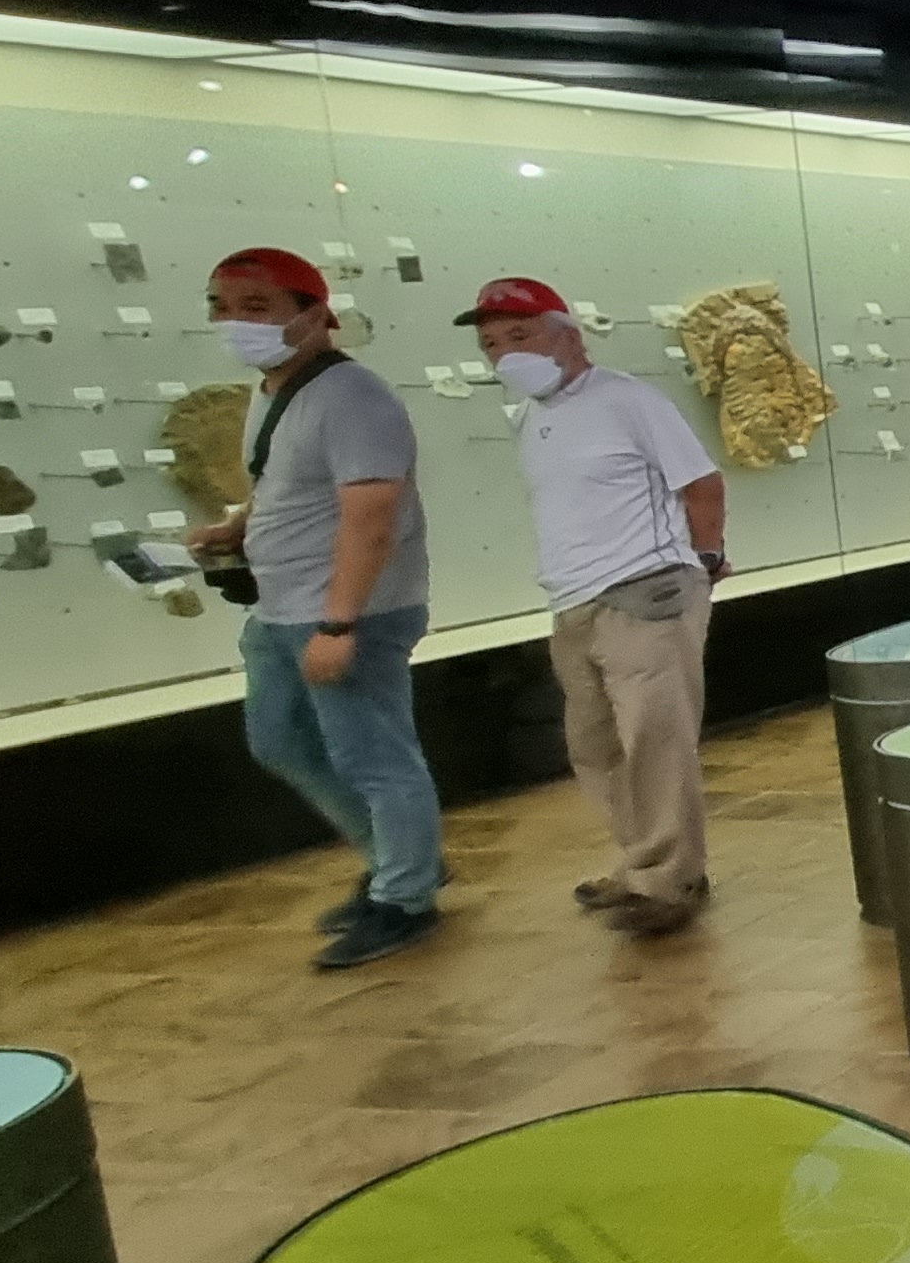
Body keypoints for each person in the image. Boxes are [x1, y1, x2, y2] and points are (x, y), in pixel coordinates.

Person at [188, 246, 446, 970]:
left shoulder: (353, 397)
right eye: (220, 306)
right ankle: (399, 860)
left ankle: (405, 898)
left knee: (374, 757)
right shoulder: (275, 389)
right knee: (280, 740)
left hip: (346, 611)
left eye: (255, 307)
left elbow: (372, 515)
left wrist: (339, 623)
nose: (233, 321)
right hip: (282, 608)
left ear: (312, 314)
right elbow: (284, 480)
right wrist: (237, 528)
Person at [462, 277, 730, 939]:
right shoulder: (535, 416)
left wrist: (704, 561)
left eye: (519, 336)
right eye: (491, 344)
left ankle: (672, 878)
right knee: (597, 745)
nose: (504, 354)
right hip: (573, 600)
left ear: (568, 338)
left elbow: (701, 484)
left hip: (644, 590)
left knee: (654, 739)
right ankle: (642, 861)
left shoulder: (628, 399)